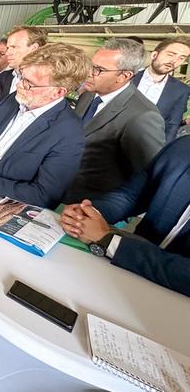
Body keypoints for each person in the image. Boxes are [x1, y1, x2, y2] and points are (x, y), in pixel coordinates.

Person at [0, 43, 91, 209]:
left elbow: (44, 195)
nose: (19, 85)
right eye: (21, 77)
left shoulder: (69, 133)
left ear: (58, 92)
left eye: (29, 83)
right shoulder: (16, 98)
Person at [60, 136, 190, 297]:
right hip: (122, 271)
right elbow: (130, 196)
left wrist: (107, 240)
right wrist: (89, 214)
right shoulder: (183, 149)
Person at [65, 39, 165, 203]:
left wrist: (105, 210)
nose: (89, 73)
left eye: (99, 69)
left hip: (91, 205)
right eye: (90, 65)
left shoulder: (143, 116)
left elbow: (146, 177)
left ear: (124, 76)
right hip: (61, 189)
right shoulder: (90, 93)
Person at [0, 26, 48, 120]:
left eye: (13, 47)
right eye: (8, 48)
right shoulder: (4, 77)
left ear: (34, 48)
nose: (8, 53)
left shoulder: (46, 88)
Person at [131, 37, 190, 140]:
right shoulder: (128, 78)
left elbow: (173, 125)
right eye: (170, 54)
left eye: (181, 58)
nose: (174, 61)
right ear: (154, 55)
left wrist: (161, 152)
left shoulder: (181, 90)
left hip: (146, 148)